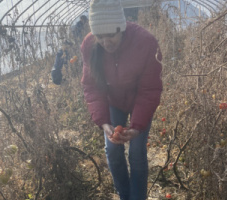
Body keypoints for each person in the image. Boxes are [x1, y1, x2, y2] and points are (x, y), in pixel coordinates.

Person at [80, 0, 163, 199]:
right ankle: (126, 195)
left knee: (136, 152)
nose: (105, 42)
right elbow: (93, 86)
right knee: (112, 150)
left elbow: (149, 89)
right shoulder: (90, 45)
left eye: (111, 36)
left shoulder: (146, 43)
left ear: (122, 28)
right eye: (100, 36)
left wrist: (137, 125)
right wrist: (104, 122)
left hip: (139, 102)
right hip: (113, 101)